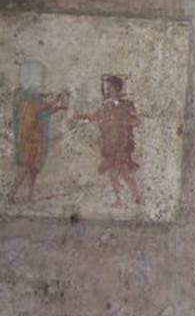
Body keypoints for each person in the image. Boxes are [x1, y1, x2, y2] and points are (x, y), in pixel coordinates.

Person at [71, 74, 142, 207]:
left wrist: (123, 121)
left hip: (121, 145)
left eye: (109, 87)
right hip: (110, 146)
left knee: (124, 172)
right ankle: (120, 199)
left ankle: (136, 195)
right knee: (113, 174)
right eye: (107, 87)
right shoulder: (106, 106)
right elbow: (94, 117)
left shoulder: (126, 105)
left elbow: (136, 120)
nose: (107, 90)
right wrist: (77, 118)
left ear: (116, 88)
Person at [8, 60, 67, 203]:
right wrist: (58, 100)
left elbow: (45, 112)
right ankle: (12, 194)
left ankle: (29, 196)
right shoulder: (26, 98)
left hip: (36, 138)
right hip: (28, 139)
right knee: (25, 168)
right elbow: (42, 109)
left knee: (34, 169)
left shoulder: (32, 98)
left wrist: (58, 107)